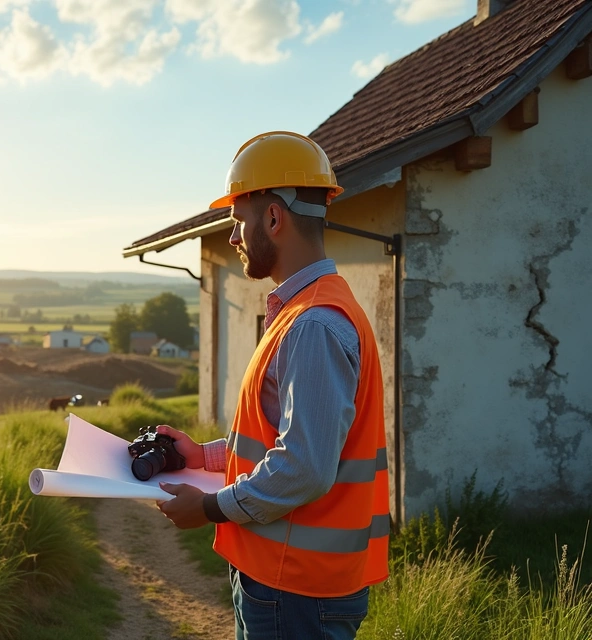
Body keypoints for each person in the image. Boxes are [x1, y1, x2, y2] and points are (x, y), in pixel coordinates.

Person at [154, 131, 390, 639]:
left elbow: (303, 466)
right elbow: (285, 435)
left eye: (239, 221)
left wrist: (209, 507)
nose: (234, 237)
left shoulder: (312, 324)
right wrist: (203, 456)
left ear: (275, 218)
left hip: (296, 591)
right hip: (290, 583)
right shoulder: (313, 311)